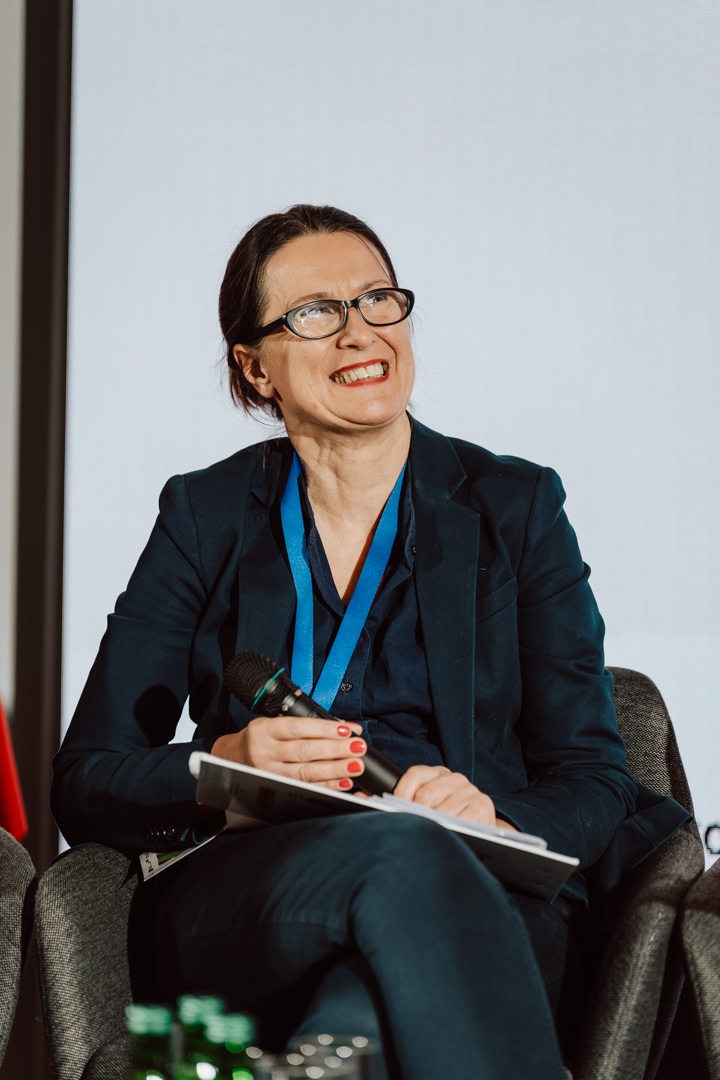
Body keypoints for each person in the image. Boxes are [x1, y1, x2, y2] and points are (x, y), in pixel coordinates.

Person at [52, 205, 688, 1080]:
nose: (360, 332)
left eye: (379, 300)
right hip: (260, 900)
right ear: (255, 366)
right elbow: (86, 777)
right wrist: (228, 760)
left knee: (362, 1019)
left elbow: (594, 773)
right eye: (315, 313)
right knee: (402, 852)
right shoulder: (204, 517)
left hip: (487, 887)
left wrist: (496, 815)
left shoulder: (516, 506)